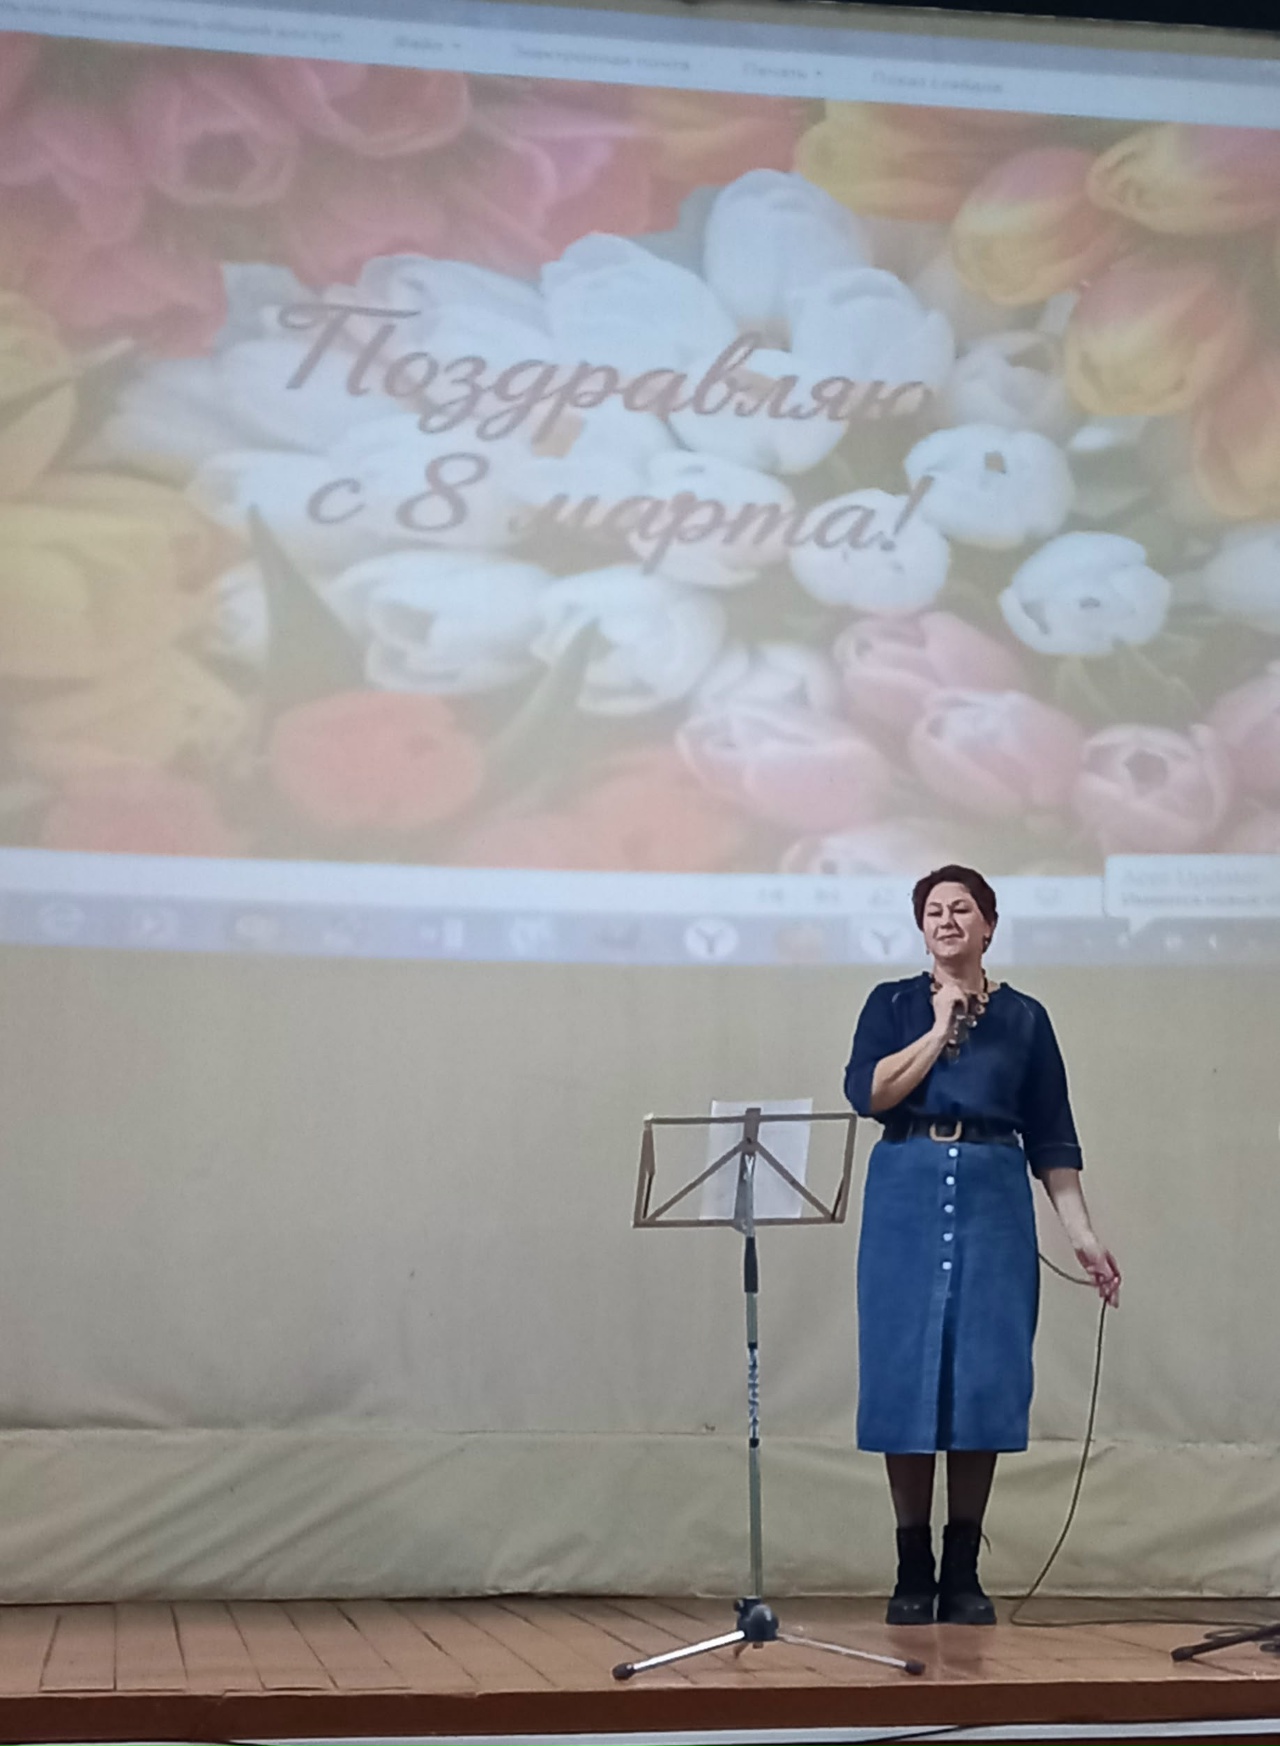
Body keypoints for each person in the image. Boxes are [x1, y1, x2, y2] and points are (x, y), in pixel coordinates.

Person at [844, 864, 1121, 1627]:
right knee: (905, 1374)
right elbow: (868, 1093)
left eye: (962, 908)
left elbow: (1053, 1137)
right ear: (921, 929)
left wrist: (1082, 1235)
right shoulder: (891, 1005)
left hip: (995, 1195)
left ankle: (963, 1570)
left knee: (982, 1376)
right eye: (933, 910)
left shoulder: (1026, 1019)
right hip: (905, 1189)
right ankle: (912, 1566)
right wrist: (940, 1028)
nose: (946, 920)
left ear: (989, 926)